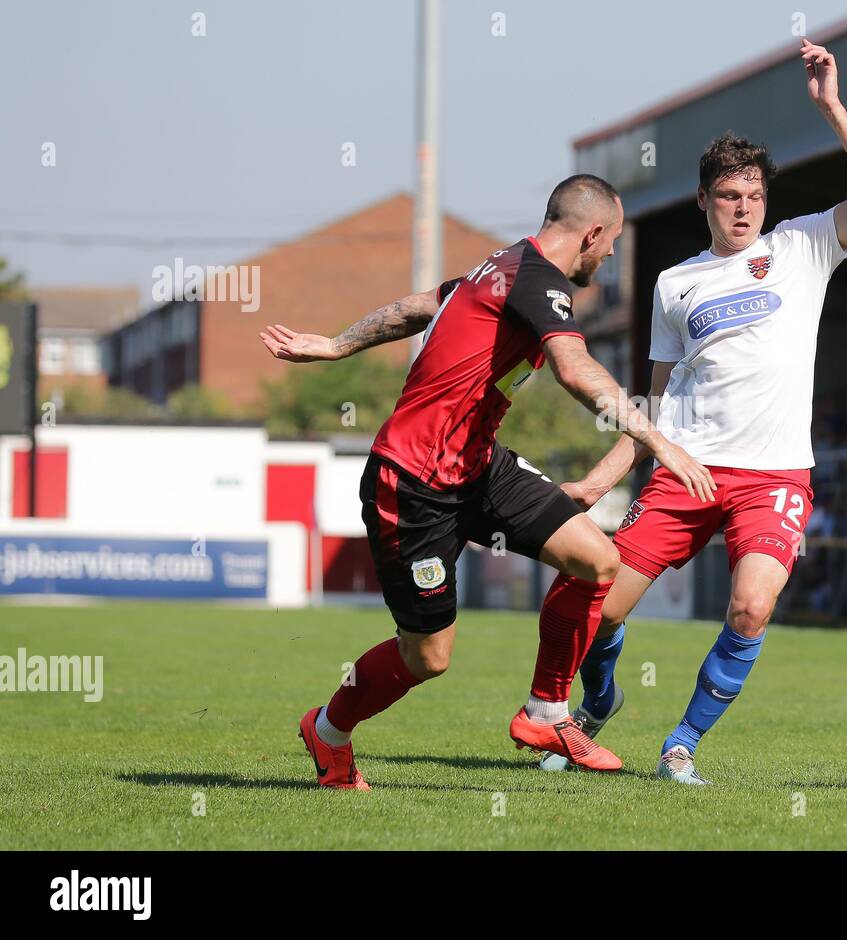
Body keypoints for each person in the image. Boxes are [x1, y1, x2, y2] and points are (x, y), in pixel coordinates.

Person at [259, 174, 714, 787]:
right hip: (412, 483)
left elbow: (418, 306)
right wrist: (658, 442)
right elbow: (576, 370)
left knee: (596, 559)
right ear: (594, 232)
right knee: (428, 657)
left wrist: (341, 344)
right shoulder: (539, 281)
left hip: (478, 466)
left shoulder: (501, 265)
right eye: (611, 245)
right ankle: (329, 730)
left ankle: (544, 712)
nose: (609, 258)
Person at [547, 38, 847, 783]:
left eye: (755, 196)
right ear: (704, 200)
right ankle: (597, 707)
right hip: (687, 468)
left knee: (749, 609)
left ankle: (681, 744)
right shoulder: (676, 284)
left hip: (774, 475)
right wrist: (605, 480)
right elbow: (654, 398)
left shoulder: (804, 245)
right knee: (602, 612)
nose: (744, 209)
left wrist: (832, 106)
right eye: (730, 196)